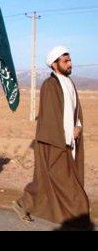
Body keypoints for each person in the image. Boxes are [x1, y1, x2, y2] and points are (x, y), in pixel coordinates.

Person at [13, 46, 91, 229]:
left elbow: (75, 111)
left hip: (69, 142)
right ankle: (79, 220)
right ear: (55, 65)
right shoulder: (50, 85)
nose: (70, 64)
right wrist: (66, 136)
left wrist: (78, 126)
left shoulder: (69, 83)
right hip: (54, 143)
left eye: (70, 60)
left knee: (46, 182)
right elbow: (50, 119)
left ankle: (23, 204)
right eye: (65, 61)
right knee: (70, 186)